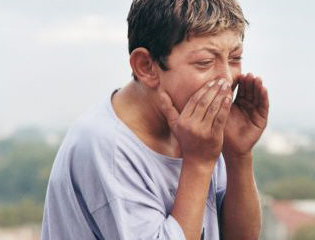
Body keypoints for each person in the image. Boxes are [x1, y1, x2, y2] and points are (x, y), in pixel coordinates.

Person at [41, 0, 269, 239]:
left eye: (235, 58)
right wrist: (199, 162)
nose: (227, 77)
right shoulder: (107, 147)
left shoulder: (197, 127)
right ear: (147, 67)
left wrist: (238, 155)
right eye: (205, 62)